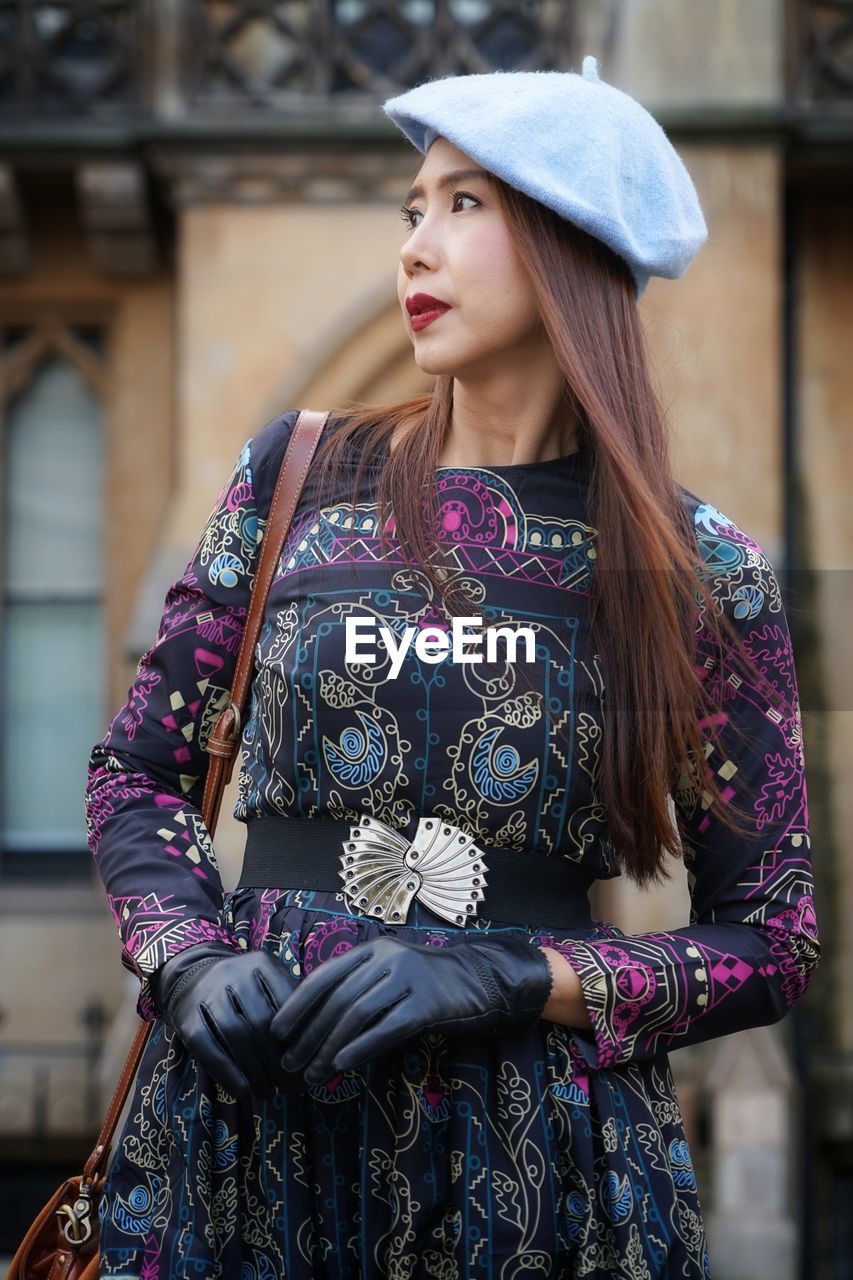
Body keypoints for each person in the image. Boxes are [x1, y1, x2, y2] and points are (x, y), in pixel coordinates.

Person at [85, 55, 820, 1279]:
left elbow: (770, 939)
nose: (416, 247)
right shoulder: (297, 479)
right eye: (412, 208)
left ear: (572, 241)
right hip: (247, 1132)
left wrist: (514, 973)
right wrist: (190, 951)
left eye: (466, 204)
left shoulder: (700, 569)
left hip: (536, 1170)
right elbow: (138, 770)